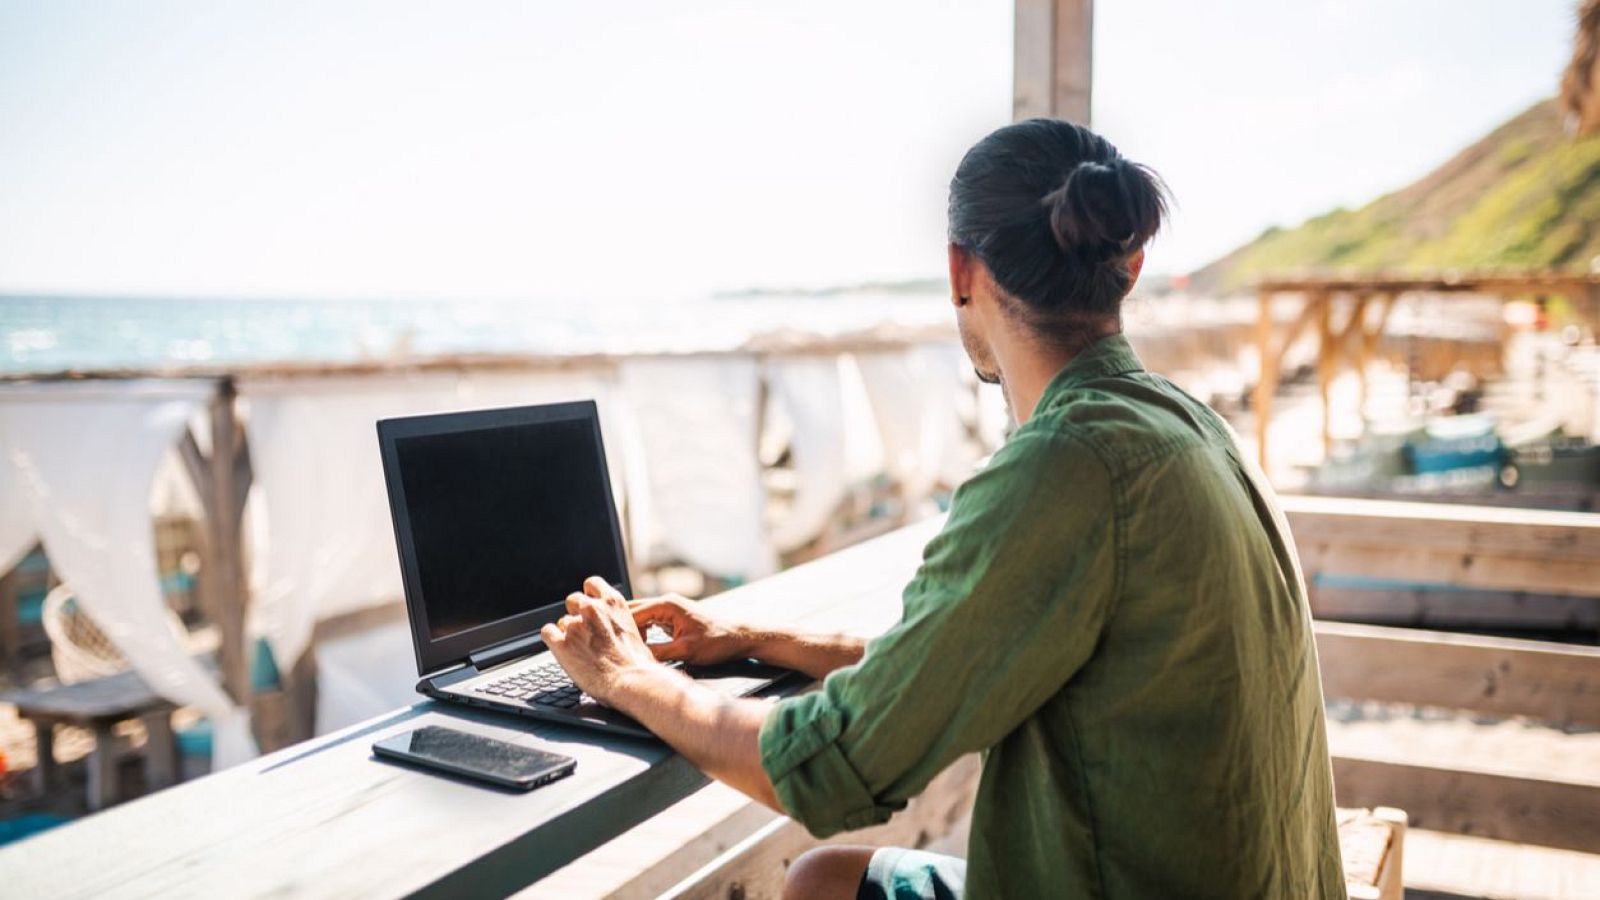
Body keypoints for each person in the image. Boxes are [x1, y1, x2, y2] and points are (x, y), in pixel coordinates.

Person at [542, 118, 1346, 899]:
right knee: (825, 882)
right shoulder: (1188, 425)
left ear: (961, 271)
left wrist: (626, 676)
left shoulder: (1066, 466)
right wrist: (752, 640)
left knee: (817, 870)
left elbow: (830, 768)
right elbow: (949, 662)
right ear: (1130, 267)